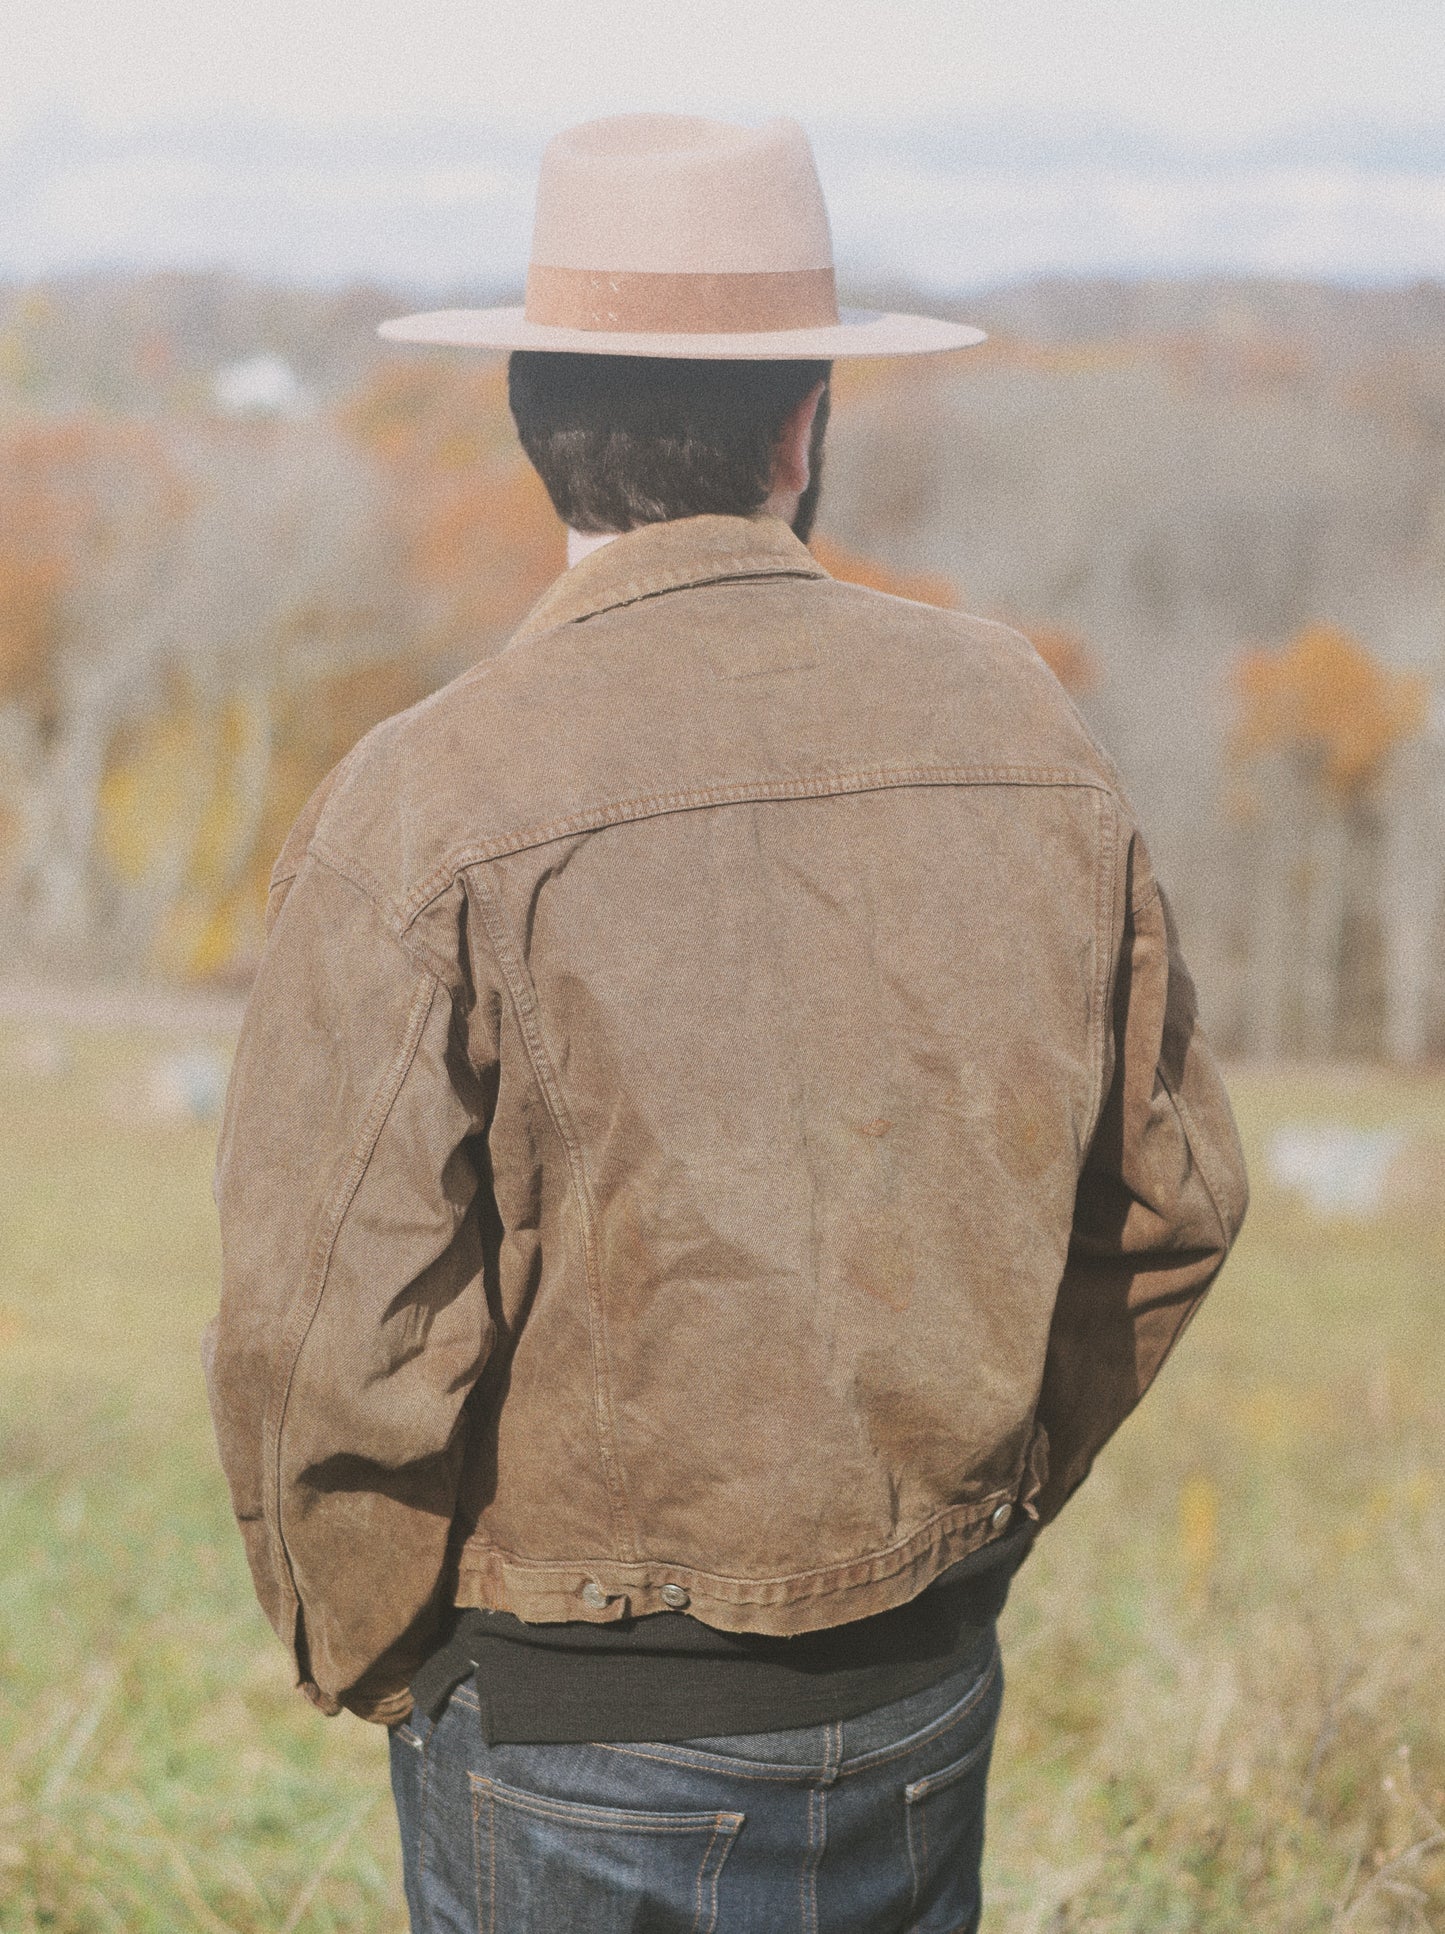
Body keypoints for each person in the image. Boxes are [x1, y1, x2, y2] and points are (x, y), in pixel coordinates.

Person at [205, 113, 1248, 1934]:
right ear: (802, 426)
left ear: (530, 418)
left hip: (561, 1721)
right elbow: (1169, 1202)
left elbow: (326, 1332)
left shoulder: (423, 798)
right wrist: (956, 1513)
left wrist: (385, 1650)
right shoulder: (1024, 725)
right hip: (923, 1679)